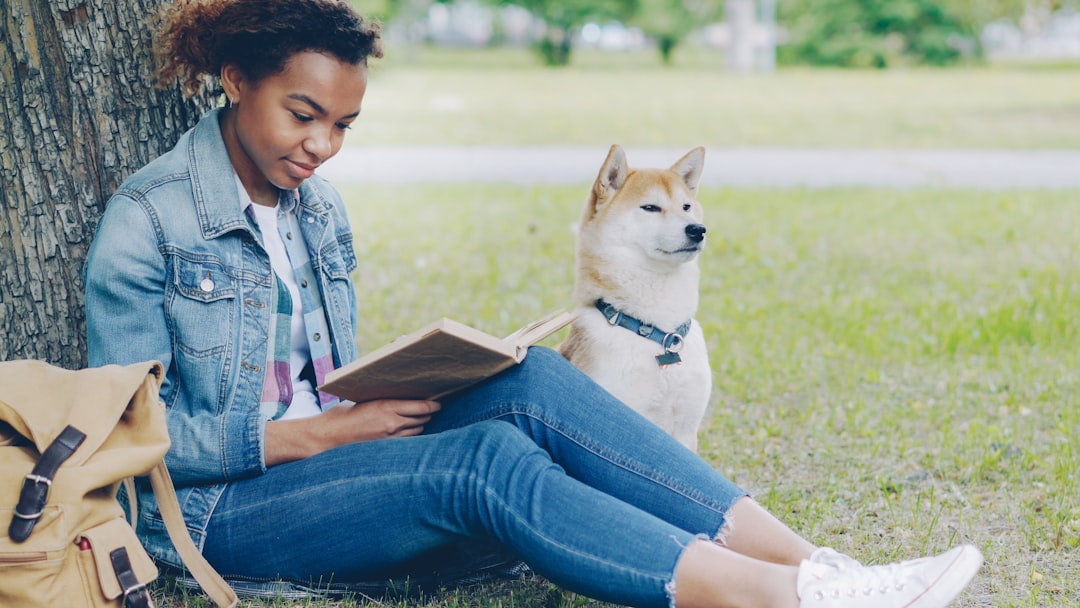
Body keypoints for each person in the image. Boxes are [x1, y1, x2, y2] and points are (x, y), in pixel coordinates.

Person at [84, 1, 983, 607]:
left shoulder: (316, 209)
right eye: (303, 113)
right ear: (237, 80)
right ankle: (786, 600)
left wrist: (381, 395)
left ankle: (830, 570)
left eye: (344, 126)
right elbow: (128, 445)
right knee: (481, 462)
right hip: (213, 511)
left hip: (331, 460)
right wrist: (316, 434)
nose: (323, 146)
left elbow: (314, 375)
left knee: (536, 381)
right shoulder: (150, 219)